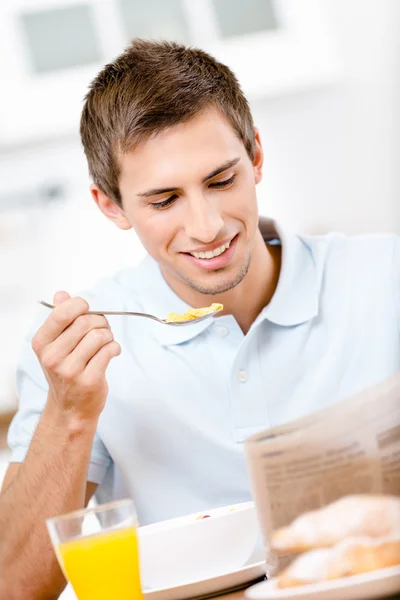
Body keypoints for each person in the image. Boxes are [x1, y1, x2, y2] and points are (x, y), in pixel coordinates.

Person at [0, 38, 399, 598]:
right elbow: (15, 587)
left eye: (221, 180)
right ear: (111, 205)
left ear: (256, 156)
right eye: (164, 201)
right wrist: (70, 414)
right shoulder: (78, 353)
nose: (207, 226)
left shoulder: (385, 278)